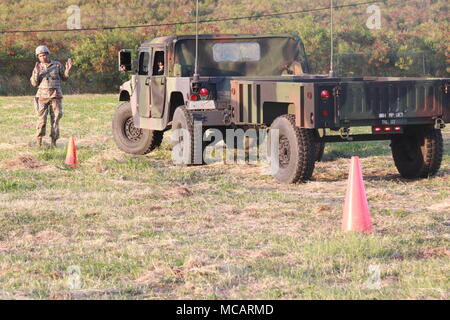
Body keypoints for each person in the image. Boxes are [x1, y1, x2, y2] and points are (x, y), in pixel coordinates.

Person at [30, 45, 72, 147]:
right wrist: (36, 73)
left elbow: (64, 78)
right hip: (42, 97)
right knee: (41, 121)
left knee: (56, 120)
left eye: (44, 55)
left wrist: (67, 70)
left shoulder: (57, 65)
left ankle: (54, 143)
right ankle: (39, 143)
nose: (42, 58)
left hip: (55, 96)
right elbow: (34, 84)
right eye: (40, 56)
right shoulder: (38, 67)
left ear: (48, 54)